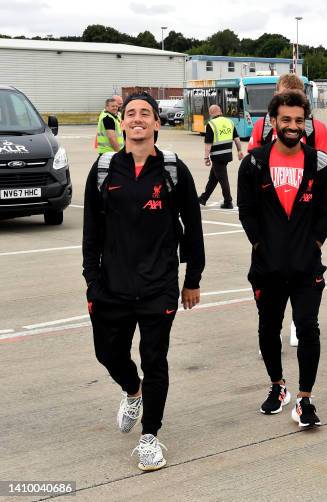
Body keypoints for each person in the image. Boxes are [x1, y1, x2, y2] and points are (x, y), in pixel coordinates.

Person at [82, 91, 205, 471]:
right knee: (108, 354)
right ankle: (132, 392)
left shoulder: (172, 170)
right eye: (131, 113)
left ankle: (150, 436)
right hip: (111, 287)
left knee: (155, 360)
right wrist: (91, 281)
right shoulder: (104, 170)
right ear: (123, 122)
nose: (137, 118)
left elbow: (193, 229)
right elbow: (91, 231)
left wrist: (192, 279)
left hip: (159, 286)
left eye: (145, 113)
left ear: (156, 123)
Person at [238, 91, 327, 428]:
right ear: (273, 122)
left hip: (307, 267)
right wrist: (261, 245)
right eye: (286, 120)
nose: (293, 126)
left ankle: (305, 399)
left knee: (308, 328)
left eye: (298, 120)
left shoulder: (319, 162)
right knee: (269, 328)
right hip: (268, 268)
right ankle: (278, 386)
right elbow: (247, 212)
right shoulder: (253, 163)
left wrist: (315, 243)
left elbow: (324, 211)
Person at [248, 73, 327, 223]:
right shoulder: (262, 127)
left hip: (306, 208)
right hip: (269, 208)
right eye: (284, 96)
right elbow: (251, 171)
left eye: (294, 97)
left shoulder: (315, 128)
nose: (288, 102)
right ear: (275, 96)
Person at [198, 104, 244, 209]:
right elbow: (236, 138)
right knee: (213, 178)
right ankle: (203, 198)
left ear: (211, 114)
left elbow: (208, 144)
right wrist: (239, 150)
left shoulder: (211, 124)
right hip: (227, 154)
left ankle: (228, 201)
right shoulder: (230, 122)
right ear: (221, 111)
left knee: (222, 178)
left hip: (217, 156)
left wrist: (206, 158)